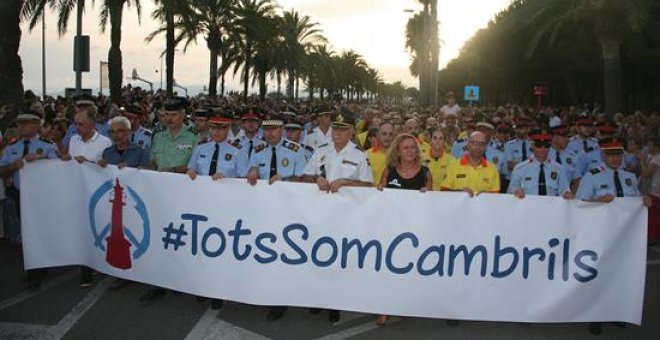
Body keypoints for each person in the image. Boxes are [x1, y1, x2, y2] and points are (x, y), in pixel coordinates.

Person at [575, 137, 651, 335]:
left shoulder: (630, 177)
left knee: (619, 274)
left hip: (624, 234)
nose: (615, 159)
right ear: (603, 155)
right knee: (599, 274)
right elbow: (580, 203)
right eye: (611, 154)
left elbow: (634, 202)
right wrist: (598, 200)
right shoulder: (592, 176)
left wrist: (644, 201)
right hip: (601, 232)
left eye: (618, 154)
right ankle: (595, 315)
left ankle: (615, 311)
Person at [302, 111, 372, 323]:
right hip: (320, 214)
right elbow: (305, 176)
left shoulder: (360, 155)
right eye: (335, 128)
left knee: (338, 259)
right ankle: (319, 299)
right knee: (318, 255)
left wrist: (345, 182)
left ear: (352, 131)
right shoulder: (321, 150)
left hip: (345, 216)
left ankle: (335, 302)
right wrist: (316, 179)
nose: (337, 133)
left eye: (342, 129)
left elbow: (368, 185)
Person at [374, 133, 431, 325]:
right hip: (391, 229)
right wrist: (379, 191)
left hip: (415, 231)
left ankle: (407, 304)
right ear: (397, 151)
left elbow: (432, 204)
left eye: (413, 147)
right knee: (388, 271)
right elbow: (378, 197)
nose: (410, 151)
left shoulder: (425, 173)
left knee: (411, 271)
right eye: (405, 147)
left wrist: (427, 195)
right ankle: (385, 307)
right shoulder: (389, 171)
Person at [0, 110, 59, 290]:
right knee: (26, 232)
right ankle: (34, 266)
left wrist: (41, 161)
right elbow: (2, 171)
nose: (21, 127)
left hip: (42, 195)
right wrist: (13, 165)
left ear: (36, 125)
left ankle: (38, 269)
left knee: (39, 231)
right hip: (19, 194)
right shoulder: (12, 147)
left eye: (25, 123)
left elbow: (59, 170)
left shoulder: (47, 146)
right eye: (19, 124)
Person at [507, 129, 574, 199]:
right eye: (538, 145)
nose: (543, 149)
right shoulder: (520, 168)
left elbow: (564, 189)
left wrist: (566, 193)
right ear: (532, 146)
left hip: (551, 208)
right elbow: (511, 189)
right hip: (528, 208)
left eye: (546, 146)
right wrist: (516, 191)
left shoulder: (558, 168)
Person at [246, 115, 307, 186]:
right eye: (266, 129)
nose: (270, 133)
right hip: (262, 192)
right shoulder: (257, 150)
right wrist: (253, 172)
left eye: (273, 129)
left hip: (287, 192)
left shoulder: (296, 150)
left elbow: (301, 178)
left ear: (281, 129)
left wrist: (284, 180)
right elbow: (253, 168)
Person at [187, 113, 249, 181]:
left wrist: (227, 180)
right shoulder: (200, 149)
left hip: (226, 190)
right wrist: (191, 172)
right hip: (201, 188)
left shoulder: (238, 151)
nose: (217, 131)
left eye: (222, 128)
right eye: (213, 128)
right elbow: (191, 168)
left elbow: (244, 178)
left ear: (228, 128)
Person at [147, 97, 198, 173]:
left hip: (182, 181)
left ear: (182, 115)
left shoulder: (194, 136)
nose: (169, 118)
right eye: (167, 114)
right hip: (158, 181)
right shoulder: (158, 135)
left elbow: (196, 165)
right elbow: (153, 160)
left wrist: (173, 170)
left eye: (174, 115)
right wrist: (146, 167)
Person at [442, 131, 500, 196]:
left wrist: (487, 195)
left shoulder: (493, 169)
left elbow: (495, 196)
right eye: (474, 143)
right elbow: (444, 190)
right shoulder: (453, 166)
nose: (478, 146)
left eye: (482, 143)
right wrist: (459, 192)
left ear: (485, 147)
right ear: (468, 144)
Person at [639, 136, 660, 244]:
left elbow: (646, 174)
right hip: (653, 189)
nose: (648, 147)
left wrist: (641, 161)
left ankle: (653, 236)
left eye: (649, 145)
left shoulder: (657, 159)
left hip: (655, 191)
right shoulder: (653, 156)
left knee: (653, 213)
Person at [548, 125, 581, 192]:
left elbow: (576, 180)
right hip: (547, 198)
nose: (568, 140)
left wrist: (572, 195)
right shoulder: (543, 154)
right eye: (564, 137)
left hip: (566, 196)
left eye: (567, 137)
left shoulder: (572, 156)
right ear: (553, 138)